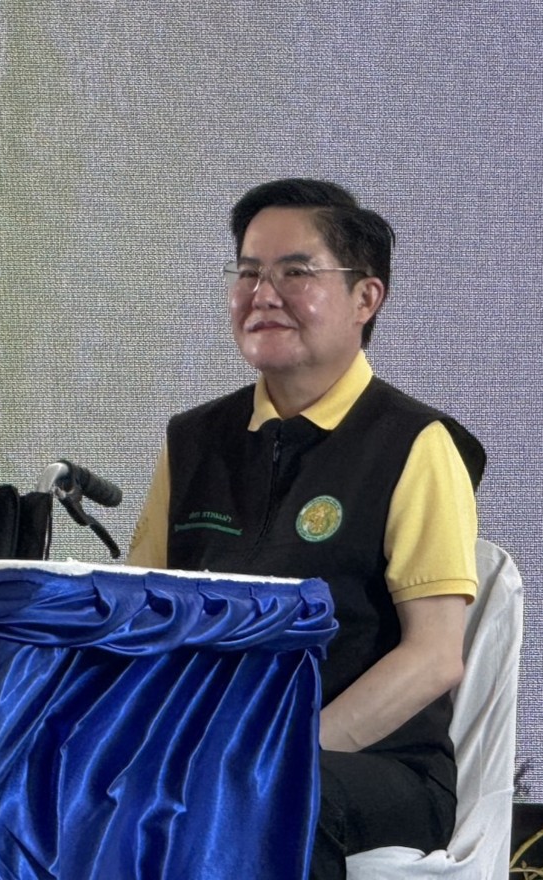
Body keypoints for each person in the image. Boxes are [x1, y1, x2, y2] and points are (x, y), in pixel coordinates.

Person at [128, 179, 485, 878]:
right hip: (212, 743)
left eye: (295, 273)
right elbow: (142, 611)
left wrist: (285, 749)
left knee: (271, 795)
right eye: (248, 273)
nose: (263, 294)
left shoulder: (415, 444)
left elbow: (435, 656)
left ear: (365, 298)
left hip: (373, 764)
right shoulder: (194, 440)